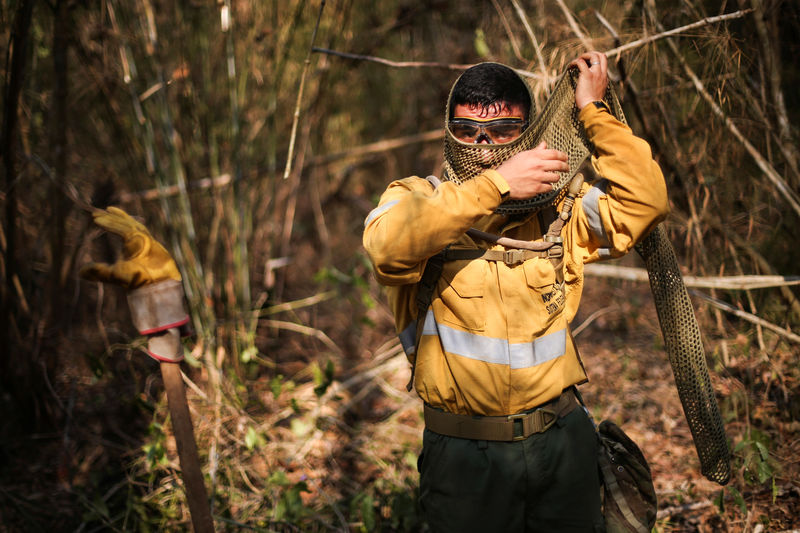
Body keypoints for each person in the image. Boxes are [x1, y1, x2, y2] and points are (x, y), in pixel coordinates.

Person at [362, 51, 668, 532]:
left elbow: (645, 203)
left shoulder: (558, 207)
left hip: (563, 443)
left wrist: (593, 112)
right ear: (450, 130)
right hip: (465, 459)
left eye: (503, 130)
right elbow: (388, 249)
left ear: (526, 133)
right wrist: (499, 185)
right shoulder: (417, 199)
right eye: (468, 131)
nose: (483, 146)